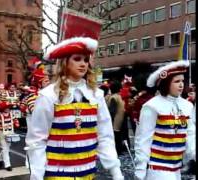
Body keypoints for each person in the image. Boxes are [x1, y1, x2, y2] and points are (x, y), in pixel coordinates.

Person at [25, 36, 124, 179]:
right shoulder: (48, 95)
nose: (83, 64)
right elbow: (37, 140)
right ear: (65, 62)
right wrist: (37, 176)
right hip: (57, 174)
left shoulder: (96, 95)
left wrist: (115, 170)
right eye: (77, 59)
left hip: (88, 173)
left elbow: (104, 135)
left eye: (85, 59)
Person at [134, 60, 196, 180]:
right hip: (157, 168)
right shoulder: (152, 106)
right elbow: (143, 139)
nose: (181, 85)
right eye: (177, 81)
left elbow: (191, 134)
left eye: (182, 81)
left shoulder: (187, 105)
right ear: (166, 83)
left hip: (177, 167)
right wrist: (140, 168)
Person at [0, 102, 15, 171]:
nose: (8, 109)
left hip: (10, 133)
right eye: (6, 108)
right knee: (5, 149)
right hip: (2, 134)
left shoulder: (12, 114)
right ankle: (7, 165)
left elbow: (15, 120)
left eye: (8, 108)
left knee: (7, 148)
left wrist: (16, 123)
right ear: (3, 109)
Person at [107, 80, 125, 155]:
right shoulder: (118, 96)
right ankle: (119, 150)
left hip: (115, 120)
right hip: (119, 119)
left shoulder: (113, 97)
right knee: (118, 136)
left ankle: (118, 150)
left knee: (116, 137)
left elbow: (112, 111)